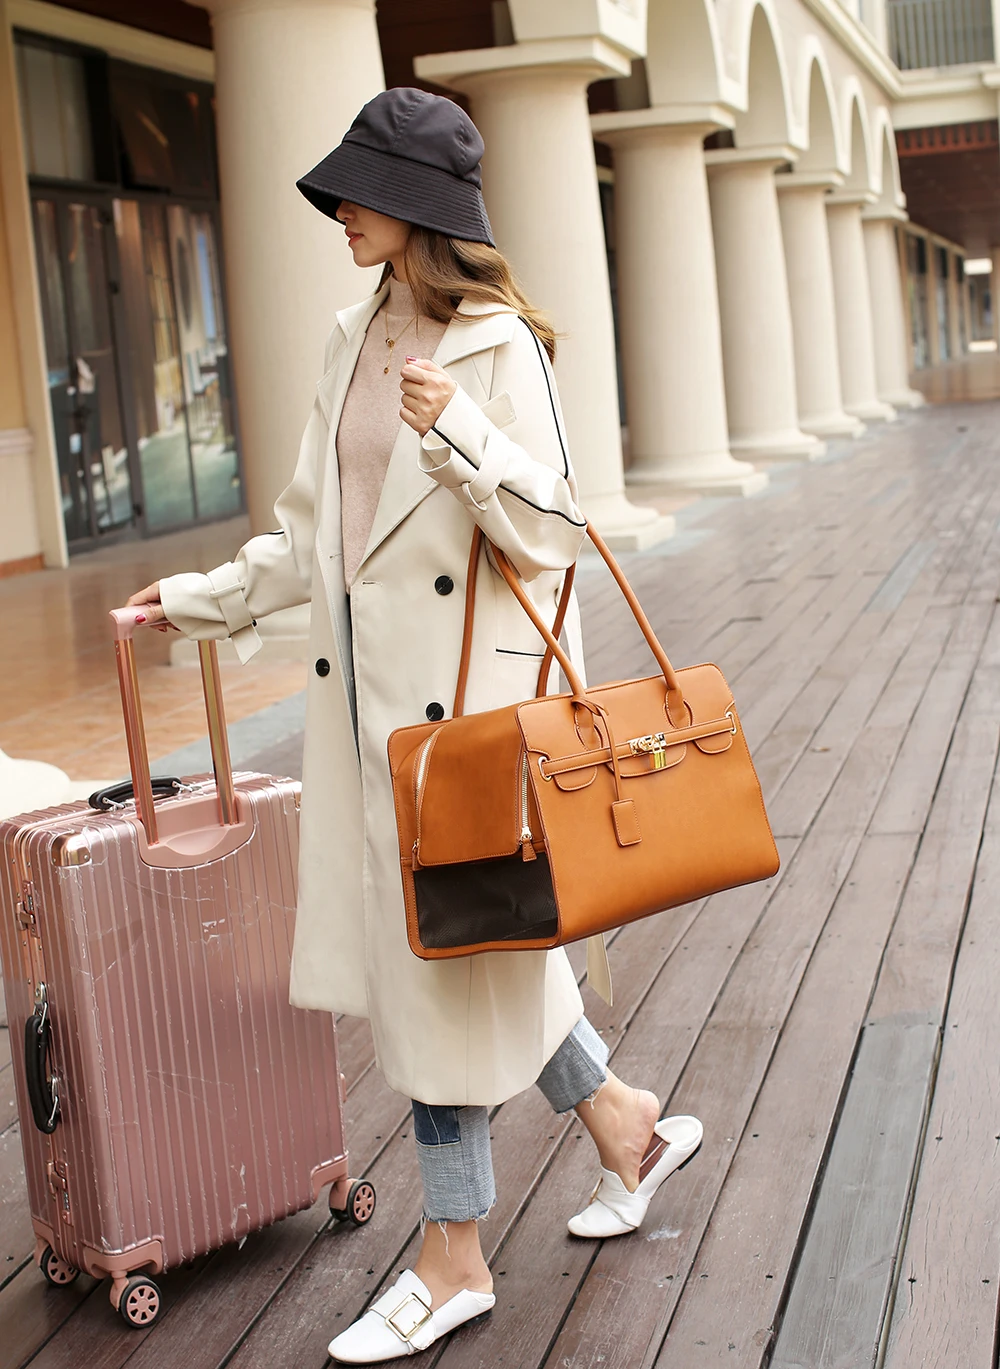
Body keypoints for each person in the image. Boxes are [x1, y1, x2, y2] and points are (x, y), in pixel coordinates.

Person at [126, 88, 702, 1364]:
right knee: (467, 954)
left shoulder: (500, 345)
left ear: (418, 207)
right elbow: (311, 535)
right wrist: (199, 601)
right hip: (364, 718)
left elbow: (555, 534)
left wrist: (462, 436)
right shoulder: (351, 336)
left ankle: (452, 1258)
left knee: (435, 981)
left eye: (359, 192)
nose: (337, 212)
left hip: (468, 728)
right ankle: (624, 1124)